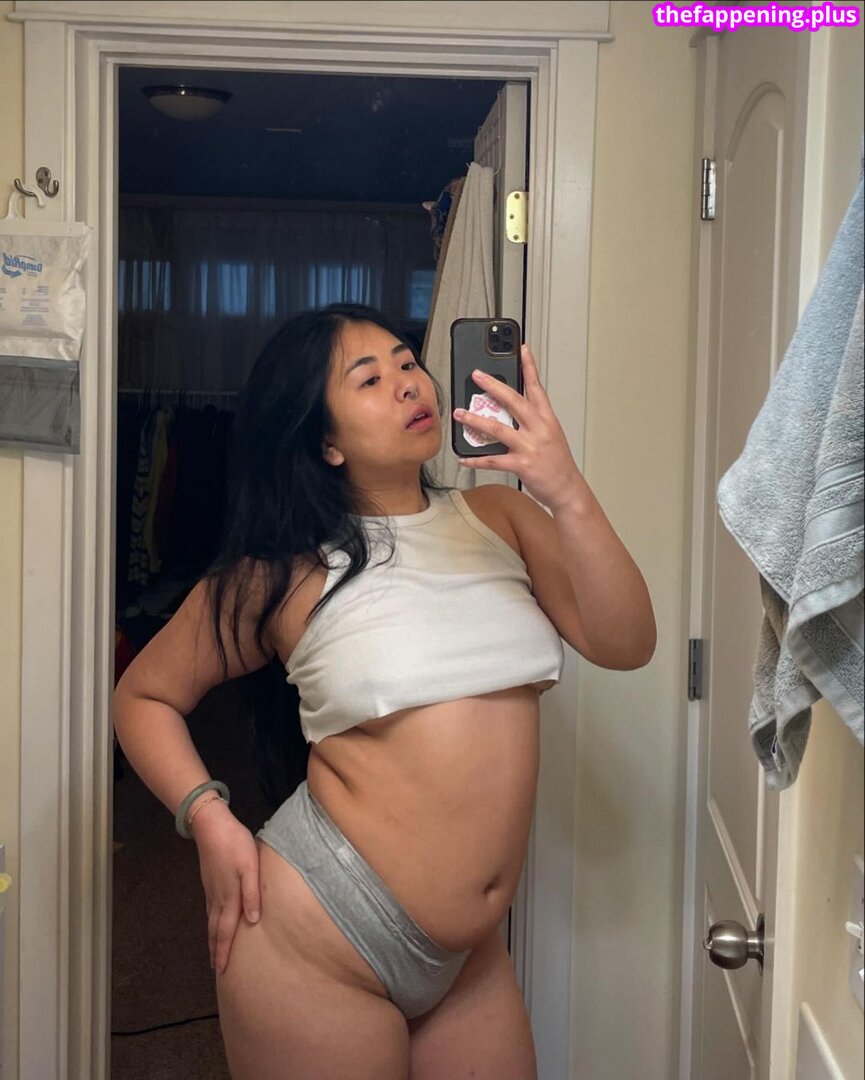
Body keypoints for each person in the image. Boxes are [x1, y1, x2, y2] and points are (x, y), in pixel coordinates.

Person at [112, 303, 656, 1080]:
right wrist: (208, 818)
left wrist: (564, 489)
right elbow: (143, 697)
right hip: (317, 936)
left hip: (467, 957)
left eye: (407, 363)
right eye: (369, 379)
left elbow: (626, 644)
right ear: (325, 442)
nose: (408, 384)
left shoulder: (498, 517)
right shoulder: (282, 572)